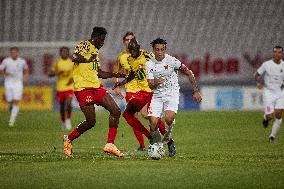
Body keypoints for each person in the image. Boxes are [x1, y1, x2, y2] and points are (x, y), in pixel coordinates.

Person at [63, 27, 126, 158]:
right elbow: (74, 57)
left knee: (116, 110)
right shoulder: (85, 45)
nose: (103, 43)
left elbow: (99, 73)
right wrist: (87, 60)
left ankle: (110, 144)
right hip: (83, 89)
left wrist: (117, 74)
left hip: (96, 87)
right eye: (102, 40)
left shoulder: (95, 53)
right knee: (91, 122)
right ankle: (68, 139)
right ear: (96, 37)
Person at [145, 38, 202, 156]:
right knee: (153, 123)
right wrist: (156, 81)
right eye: (157, 49)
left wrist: (196, 90)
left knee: (169, 118)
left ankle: (167, 139)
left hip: (172, 93)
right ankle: (157, 147)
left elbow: (189, 72)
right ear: (153, 50)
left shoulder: (172, 61)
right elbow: (150, 84)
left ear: (165, 49)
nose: (160, 52)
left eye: (162, 49)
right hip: (157, 95)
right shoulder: (149, 64)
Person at [113, 39, 168, 152]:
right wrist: (120, 83)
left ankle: (167, 140)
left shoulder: (147, 55)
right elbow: (132, 74)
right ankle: (149, 138)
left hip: (150, 91)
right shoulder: (128, 58)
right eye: (131, 50)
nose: (132, 53)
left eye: (134, 50)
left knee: (147, 115)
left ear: (138, 48)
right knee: (129, 115)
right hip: (138, 92)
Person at [255, 45, 284, 143]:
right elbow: (257, 74)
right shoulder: (266, 64)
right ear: (273, 53)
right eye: (275, 52)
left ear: (282, 54)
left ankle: (272, 137)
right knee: (270, 116)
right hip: (269, 92)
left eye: (279, 52)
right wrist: (258, 82)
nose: (277, 54)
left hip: (280, 93)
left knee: (279, 114)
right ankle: (265, 118)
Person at [0, 47, 29, 127]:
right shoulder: (6, 61)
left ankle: (11, 121)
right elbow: (1, 70)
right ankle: (13, 108)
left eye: (15, 52)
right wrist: (6, 73)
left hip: (18, 83)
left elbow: (26, 69)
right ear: (10, 53)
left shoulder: (22, 61)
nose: (14, 53)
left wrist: (26, 76)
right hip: (8, 83)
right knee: (9, 101)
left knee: (16, 101)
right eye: (12, 52)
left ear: (17, 53)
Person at [49, 47, 74, 130]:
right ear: (60, 53)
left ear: (68, 53)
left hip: (69, 86)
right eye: (63, 52)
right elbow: (50, 74)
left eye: (66, 52)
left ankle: (68, 120)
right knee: (62, 106)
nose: (64, 53)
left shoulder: (72, 62)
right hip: (60, 87)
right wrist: (57, 73)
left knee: (69, 104)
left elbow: (77, 72)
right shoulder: (57, 62)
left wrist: (72, 79)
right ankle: (63, 122)